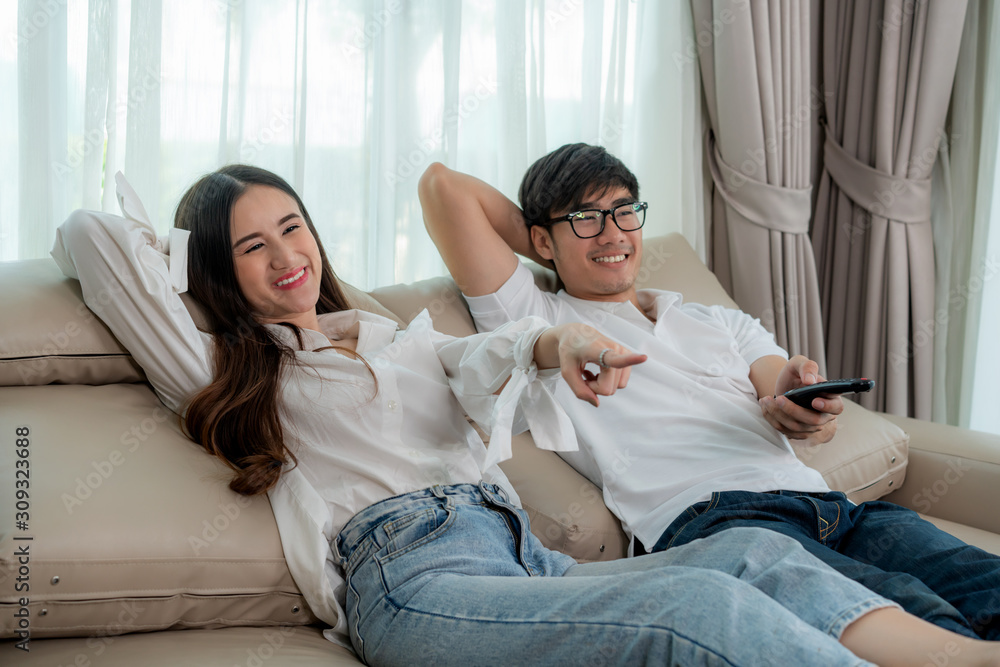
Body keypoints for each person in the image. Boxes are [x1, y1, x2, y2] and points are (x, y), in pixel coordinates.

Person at [51, 165, 999, 667]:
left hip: (518, 557)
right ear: (214, 268)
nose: (283, 255)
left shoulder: (384, 334)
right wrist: (193, 244)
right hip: (411, 577)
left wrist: (560, 347)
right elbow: (88, 237)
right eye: (247, 246)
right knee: (694, 602)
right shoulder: (226, 361)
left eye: (292, 225)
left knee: (753, 556)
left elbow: (484, 358)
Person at [420, 143, 1000, 642]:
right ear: (540, 242)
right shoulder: (537, 320)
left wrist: (806, 402)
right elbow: (443, 187)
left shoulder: (714, 319)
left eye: (625, 213)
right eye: (588, 218)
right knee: (921, 619)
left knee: (983, 583)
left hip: (831, 507)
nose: (615, 234)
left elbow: (781, 383)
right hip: (722, 527)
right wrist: (554, 235)